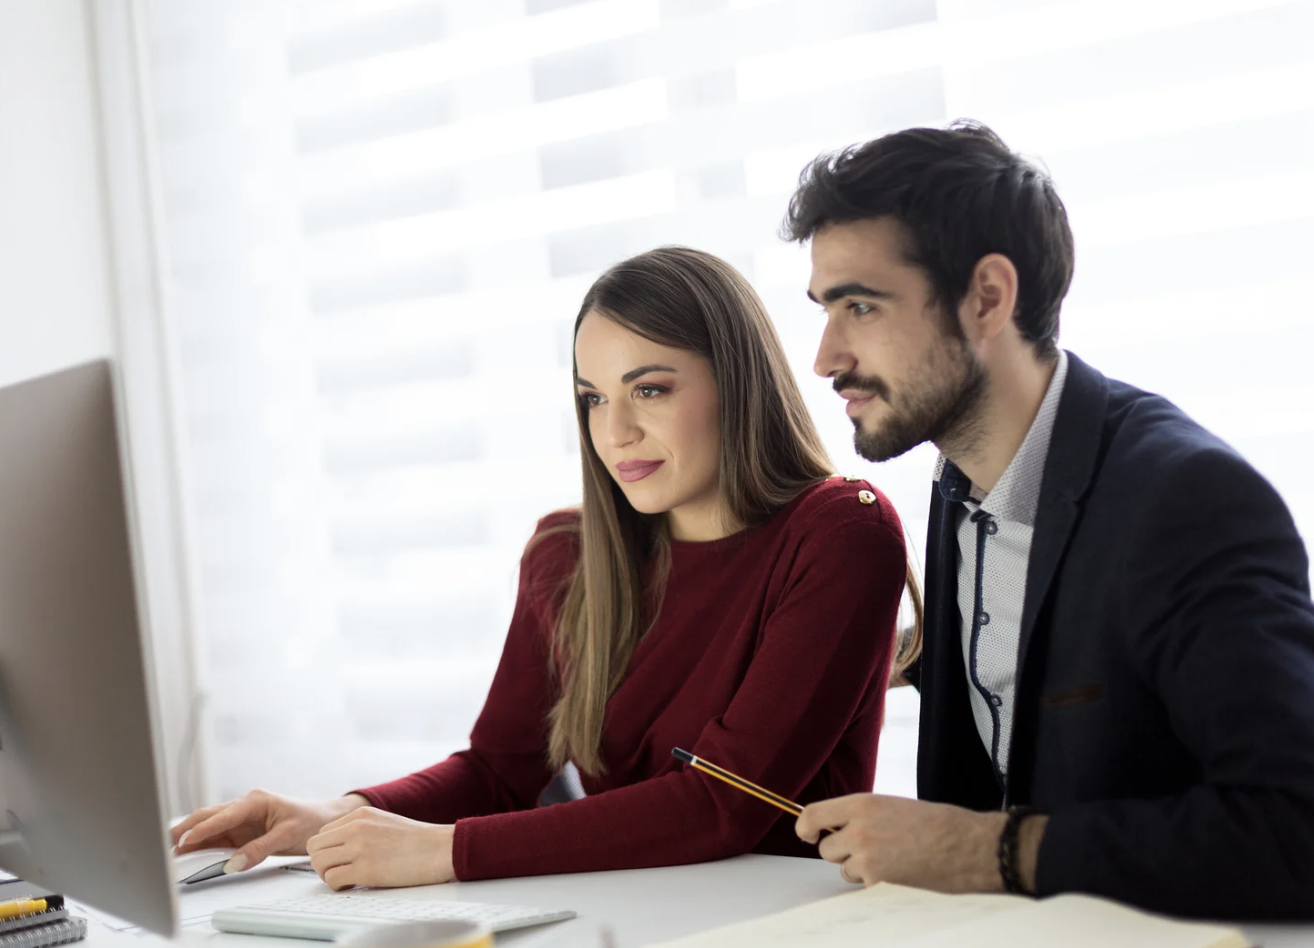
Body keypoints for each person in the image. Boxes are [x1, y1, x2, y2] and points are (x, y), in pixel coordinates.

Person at [172, 246, 919, 888]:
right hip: (619, 915)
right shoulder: (567, 554)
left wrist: (448, 852)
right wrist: (344, 814)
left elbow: (724, 805)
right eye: (593, 398)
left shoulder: (839, 532)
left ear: (738, 380)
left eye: (650, 389)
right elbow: (501, 770)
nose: (615, 430)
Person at [785, 121, 1314, 919]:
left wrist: (984, 849)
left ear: (988, 298)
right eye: (827, 309)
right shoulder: (958, 478)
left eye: (860, 306)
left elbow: (1296, 827)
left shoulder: (1186, 501)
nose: (825, 357)